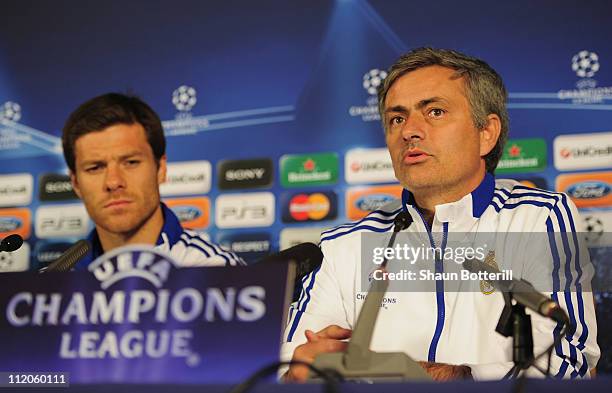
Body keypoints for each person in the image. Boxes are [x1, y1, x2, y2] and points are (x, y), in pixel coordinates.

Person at [281, 48, 599, 381]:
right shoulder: (345, 244)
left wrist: (445, 378)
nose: (409, 131)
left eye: (434, 111)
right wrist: (300, 370)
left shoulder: (539, 219)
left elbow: (567, 361)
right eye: (397, 118)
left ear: (486, 133)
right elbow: (291, 362)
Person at [61, 93, 244, 268]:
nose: (113, 182)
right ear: (76, 183)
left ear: (160, 169)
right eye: (95, 168)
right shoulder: (52, 284)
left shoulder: (218, 273)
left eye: (131, 162)